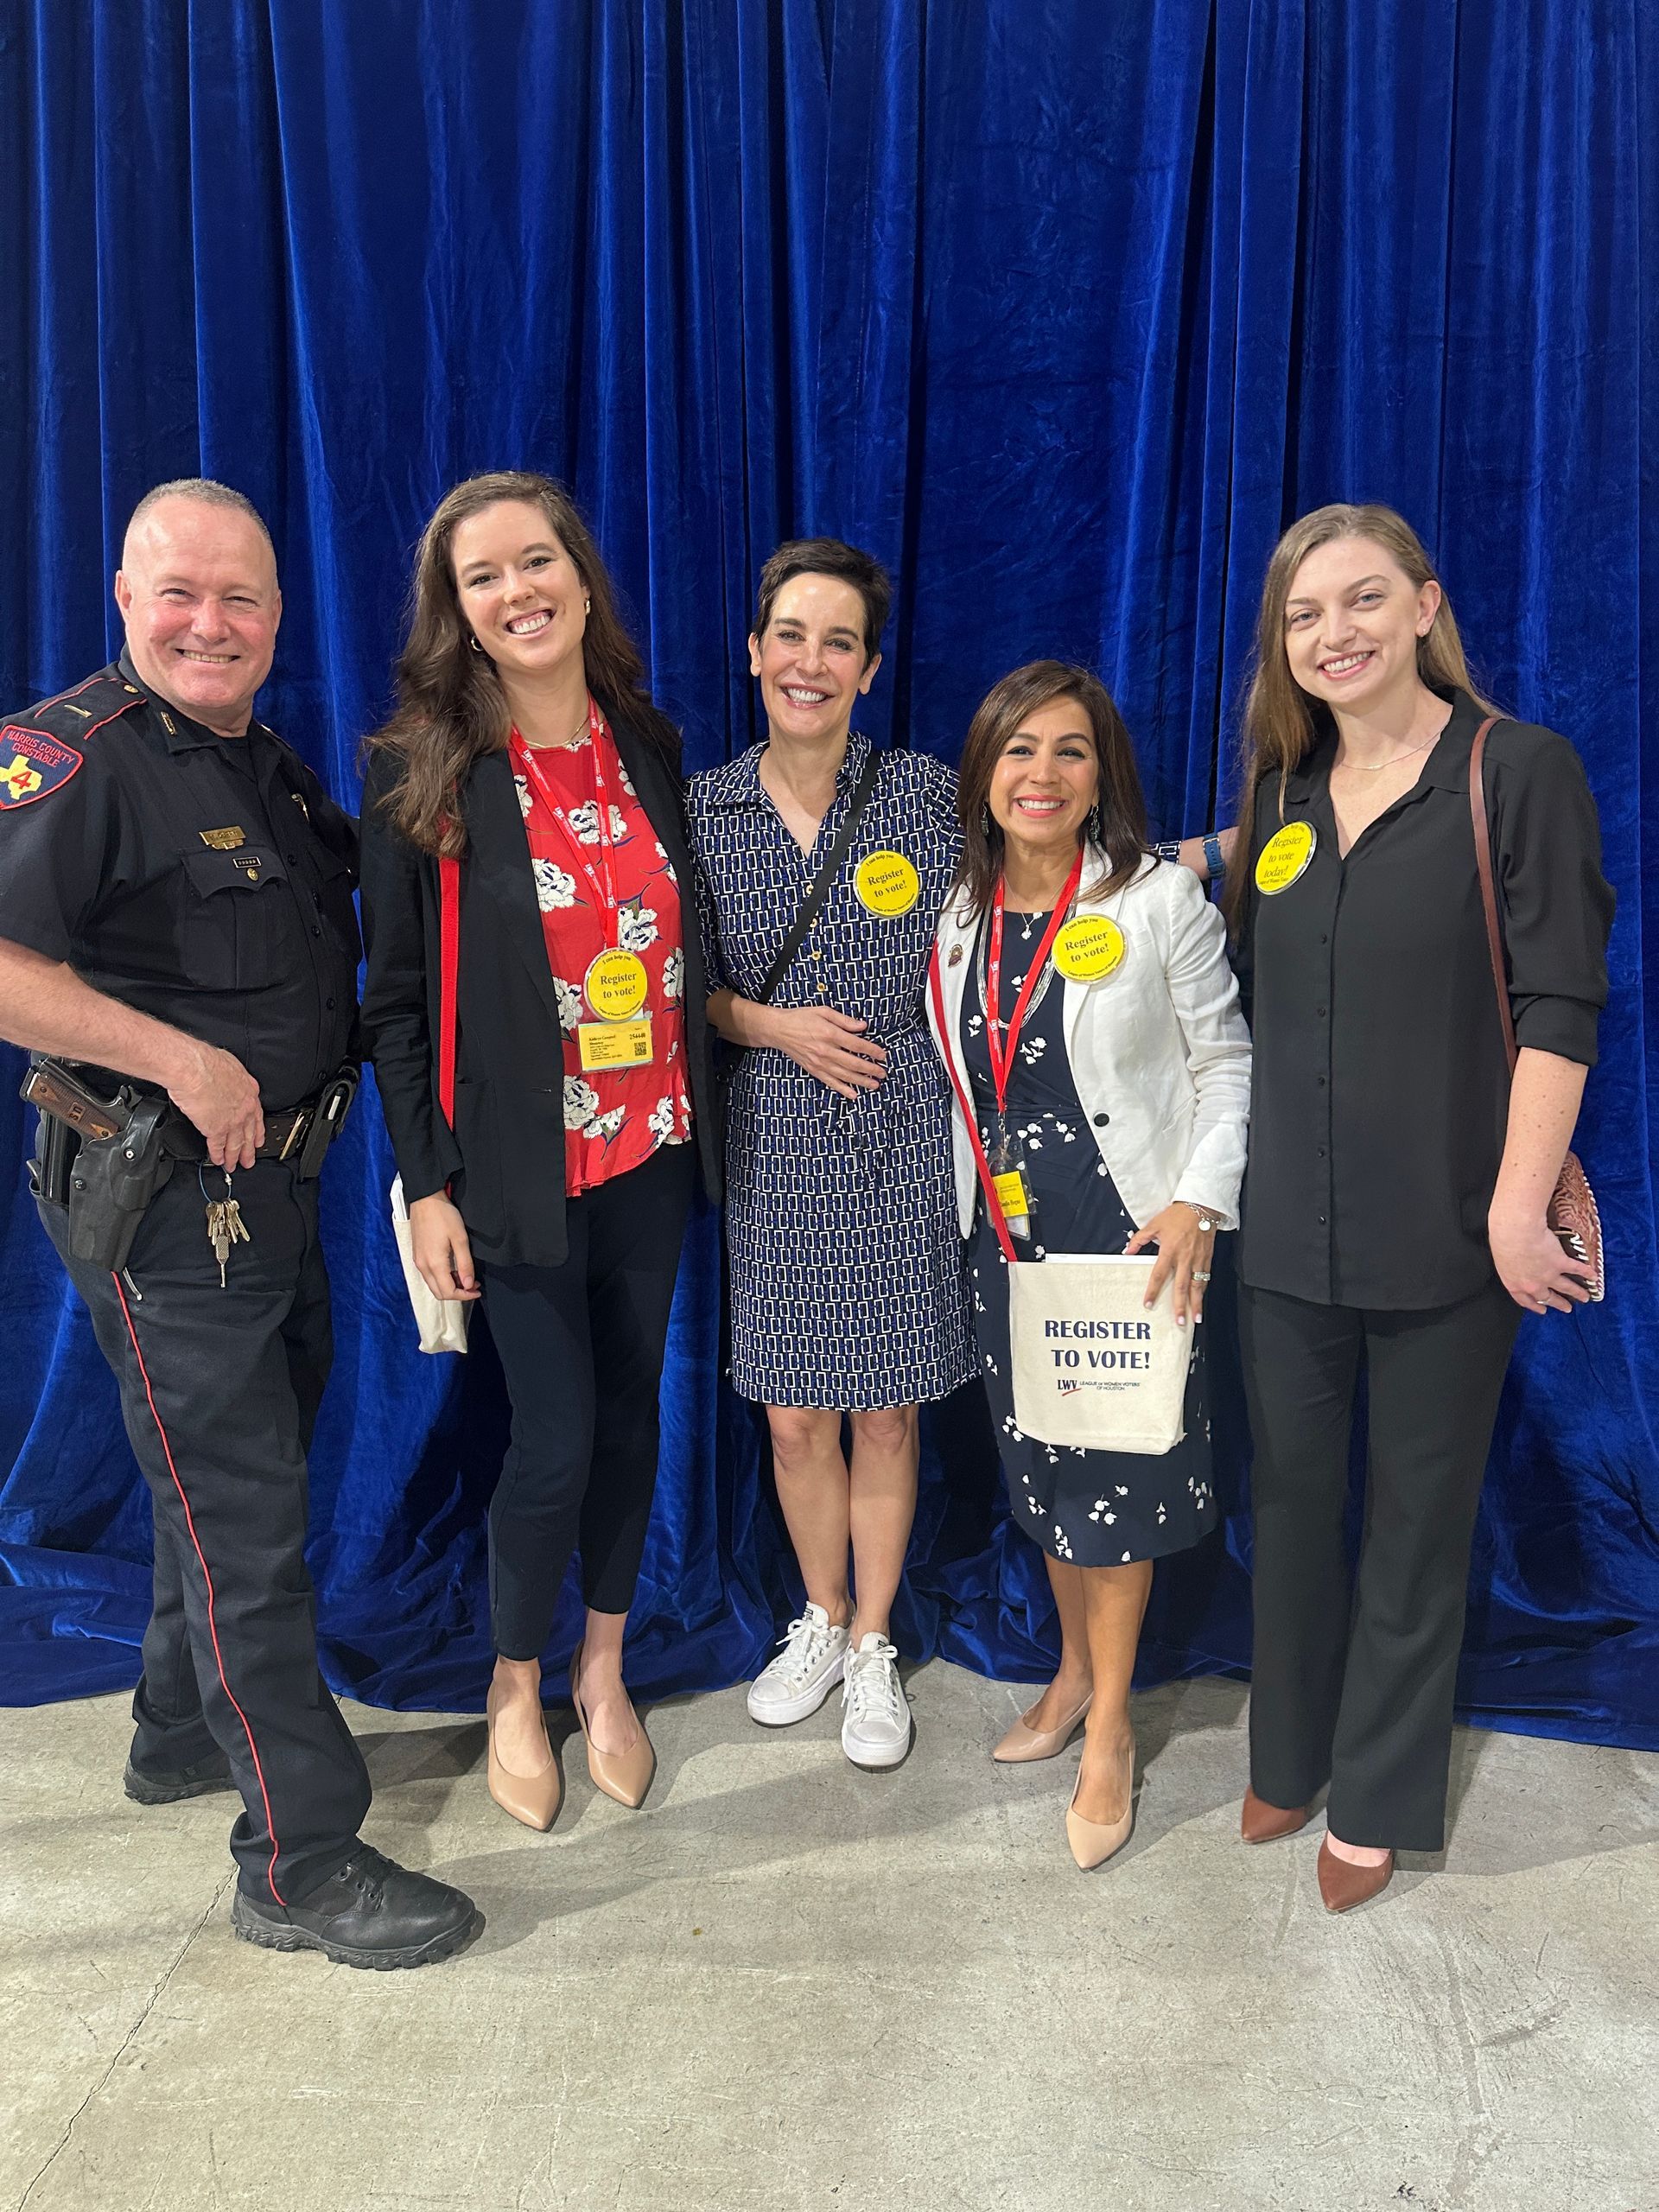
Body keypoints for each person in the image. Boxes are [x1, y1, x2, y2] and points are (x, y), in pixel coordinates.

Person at [0, 480, 477, 1967]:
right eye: (182, 594)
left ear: (277, 616)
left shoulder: (253, 761)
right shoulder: (70, 756)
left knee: (225, 1477)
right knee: (247, 1518)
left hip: (263, 1193)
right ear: (126, 599)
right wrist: (183, 1060)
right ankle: (298, 1856)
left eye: (244, 599)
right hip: (165, 1199)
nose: (213, 624)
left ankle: (171, 1731)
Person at [1227, 503, 1614, 1911]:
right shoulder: (1274, 801)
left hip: (1451, 1227)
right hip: (1284, 1236)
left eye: (1363, 599)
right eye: (1304, 614)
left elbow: (1563, 1007)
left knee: (1416, 1517)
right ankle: (1286, 1749)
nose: (1335, 633)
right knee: (1287, 1499)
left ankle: (1377, 1796)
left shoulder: (1517, 774)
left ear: (1426, 606)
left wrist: (1520, 1207)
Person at [359, 471, 719, 1831]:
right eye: (483, 577)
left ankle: (604, 1667)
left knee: (632, 1421)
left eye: (536, 561)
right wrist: (426, 1180)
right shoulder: (422, 767)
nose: (517, 592)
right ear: (456, 611)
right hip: (513, 1171)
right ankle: (517, 1683)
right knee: (553, 1439)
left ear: (580, 572)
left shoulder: (650, 741)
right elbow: (392, 1004)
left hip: (656, 1149)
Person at [926, 662, 1250, 1866]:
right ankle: (1068, 1676)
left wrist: (1197, 1205)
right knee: (1050, 1480)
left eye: (1071, 751)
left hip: (1131, 1243)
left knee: (1117, 1490)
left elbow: (1227, 1063)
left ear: (1102, 772)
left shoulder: (1158, 900)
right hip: (1008, 1249)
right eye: (1019, 751)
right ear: (987, 773)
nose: (1043, 775)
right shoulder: (959, 913)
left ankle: (1109, 1727)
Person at [685, 538, 974, 1770]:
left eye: (838, 642)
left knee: (889, 1417)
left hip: (902, 1135)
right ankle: (818, 1615)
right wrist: (767, 1024)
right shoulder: (703, 808)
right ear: (755, 654)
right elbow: (672, 984)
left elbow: (1023, 907)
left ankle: (874, 1648)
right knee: (798, 1420)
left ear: (867, 665)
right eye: (791, 636)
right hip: (773, 1142)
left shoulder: (922, 795)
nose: (811, 662)